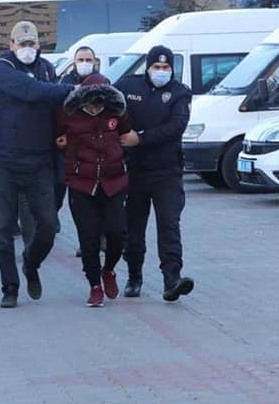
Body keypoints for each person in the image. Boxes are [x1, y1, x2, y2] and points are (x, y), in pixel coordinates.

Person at [0, 21, 75, 308]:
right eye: (22, 43)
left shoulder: (47, 68)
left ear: (39, 44)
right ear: (11, 44)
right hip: (4, 160)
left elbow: (53, 103)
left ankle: (30, 263)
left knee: (48, 226)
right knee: (2, 231)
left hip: (39, 159)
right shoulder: (1, 68)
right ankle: (9, 288)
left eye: (32, 43)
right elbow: (31, 91)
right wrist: (70, 90)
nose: (27, 49)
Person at [115, 45, 194, 302]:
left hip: (167, 171)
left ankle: (172, 279)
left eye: (166, 67)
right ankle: (134, 275)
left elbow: (176, 126)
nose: (161, 71)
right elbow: (111, 104)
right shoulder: (129, 86)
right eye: (156, 67)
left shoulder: (180, 93)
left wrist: (140, 138)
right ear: (147, 67)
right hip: (135, 170)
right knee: (133, 227)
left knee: (169, 225)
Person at [55, 73, 130, 307]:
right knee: (88, 238)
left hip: (113, 182)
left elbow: (128, 137)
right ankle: (94, 284)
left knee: (117, 233)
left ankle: (109, 269)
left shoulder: (117, 112)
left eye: (100, 101)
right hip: (81, 184)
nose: (95, 106)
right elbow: (57, 140)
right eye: (90, 101)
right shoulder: (68, 114)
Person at [59, 46, 100, 256]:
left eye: (88, 59)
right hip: (74, 154)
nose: (84, 63)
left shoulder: (102, 83)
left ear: (95, 61)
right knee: (80, 205)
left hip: (98, 153)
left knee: (99, 201)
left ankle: (97, 239)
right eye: (80, 59)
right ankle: (86, 241)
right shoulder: (65, 84)